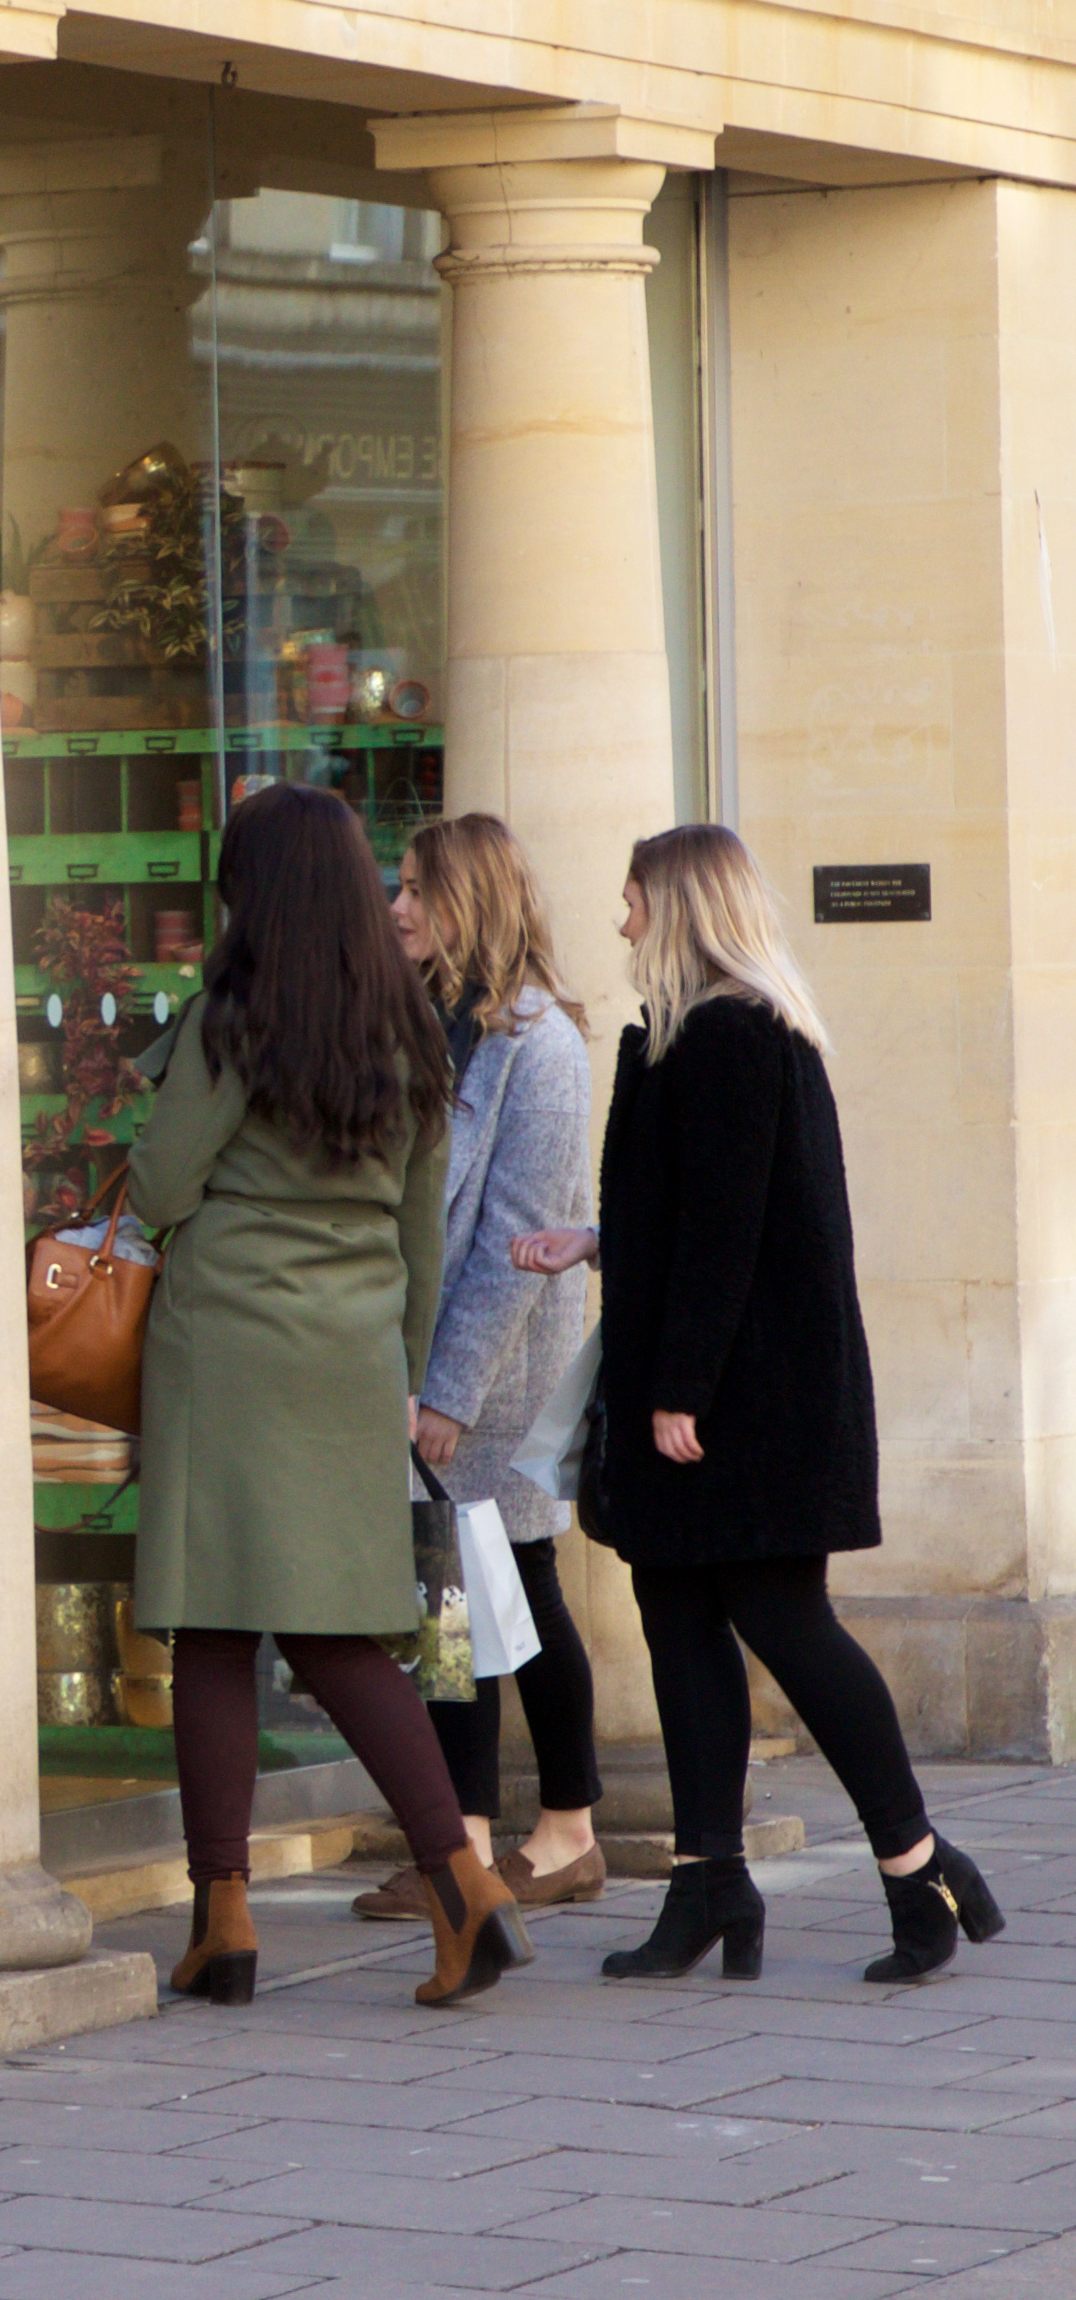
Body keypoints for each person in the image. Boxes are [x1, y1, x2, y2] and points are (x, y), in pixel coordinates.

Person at [513, 826, 1003, 1985]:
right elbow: (698, 1214)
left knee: (786, 1626)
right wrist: (597, 1240)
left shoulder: (730, 1037)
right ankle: (707, 1884)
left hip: (741, 1404)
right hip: (715, 1393)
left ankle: (920, 1865)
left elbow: (729, 1237)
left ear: (675, 907)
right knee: (678, 1623)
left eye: (631, 899)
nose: (620, 918)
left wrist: (678, 1390)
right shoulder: (697, 1038)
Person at [127, 780, 525, 2010]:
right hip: (353, 1356)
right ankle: (461, 1871)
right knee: (345, 1631)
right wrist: (395, 1381)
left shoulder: (229, 1020)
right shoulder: (409, 1032)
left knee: (210, 1623)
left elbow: (159, 1185)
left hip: (227, 1351)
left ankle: (225, 1920)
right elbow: (418, 1239)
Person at [351, 815, 606, 1926]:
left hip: (494, 1370)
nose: (397, 907)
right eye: (396, 888)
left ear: (472, 904)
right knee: (454, 1604)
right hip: (434, 1359)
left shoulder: (539, 1042)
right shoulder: (426, 1023)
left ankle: (558, 1834)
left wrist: (449, 1391)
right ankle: (465, 1844)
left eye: (417, 890)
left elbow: (520, 1235)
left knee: (506, 1595)